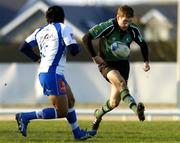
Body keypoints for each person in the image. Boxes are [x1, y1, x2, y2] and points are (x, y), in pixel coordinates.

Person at [15, 5, 96, 140]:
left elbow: (23, 47)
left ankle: (77, 133)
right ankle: (25, 116)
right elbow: (74, 51)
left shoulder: (40, 31)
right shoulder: (63, 28)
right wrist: (79, 46)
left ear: (47, 19)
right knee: (62, 111)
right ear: (63, 18)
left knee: (70, 100)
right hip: (52, 74)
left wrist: (36, 59)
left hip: (49, 72)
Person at [82, 5, 150, 132]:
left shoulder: (133, 30)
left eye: (129, 21)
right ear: (118, 17)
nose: (126, 24)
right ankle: (137, 110)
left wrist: (146, 61)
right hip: (106, 64)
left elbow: (143, 44)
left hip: (123, 65)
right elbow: (86, 38)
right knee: (121, 83)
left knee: (114, 103)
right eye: (124, 21)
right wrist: (95, 56)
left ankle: (97, 115)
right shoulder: (108, 26)